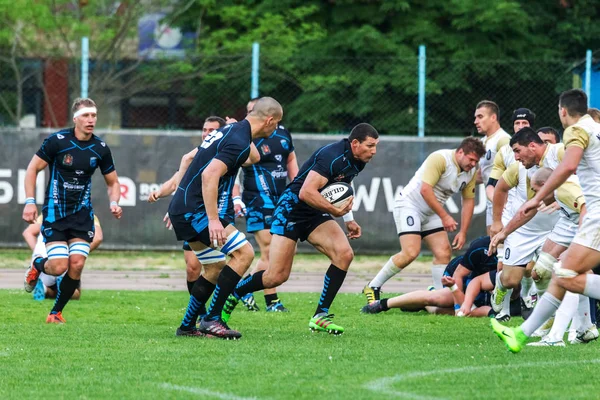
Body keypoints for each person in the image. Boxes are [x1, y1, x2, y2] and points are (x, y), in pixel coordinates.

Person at [218, 123, 379, 335]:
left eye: (376, 146)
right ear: (355, 143)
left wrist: (348, 218)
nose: (374, 151)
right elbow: (306, 192)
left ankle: (320, 316)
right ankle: (235, 293)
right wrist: (334, 211)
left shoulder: (359, 159)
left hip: (313, 211)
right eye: (370, 146)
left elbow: (342, 188)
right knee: (276, 276)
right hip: (291, 210)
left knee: (344, 254)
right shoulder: (332, 156)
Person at [491, 89, 600, 353]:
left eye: (518, 151)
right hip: (573, 218)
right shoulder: (595, 128)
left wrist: (536, 196)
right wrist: (504, 230)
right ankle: (529, 332)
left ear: (563, 111)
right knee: (556, 271)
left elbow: (569, 167)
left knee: (564, 272)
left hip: (591, 214)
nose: (517, 157)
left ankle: (533, 333)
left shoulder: (574, 134)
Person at [168, 97, 282, 339]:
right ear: (270, 120)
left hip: (183, 208)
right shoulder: (238, 137)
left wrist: (248, 131)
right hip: (195, 211)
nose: (276, 130)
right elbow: (209, 175)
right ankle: (212, 319)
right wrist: (213, 220)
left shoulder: (234, 131)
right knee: (245, 254)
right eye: (277, 124)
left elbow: (253, 158)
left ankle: (188, 326)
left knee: (214, 267)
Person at [22, 97, 122, 324]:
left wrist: (114, 202)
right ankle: (37, 266)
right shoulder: (57, 141)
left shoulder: (100, 148)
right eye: (86, 115)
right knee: (58, 267)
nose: (91, 120)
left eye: (94, 115)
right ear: (75, 118)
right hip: (55, 214)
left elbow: (113, 183)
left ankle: (55, 313)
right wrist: (29, 201)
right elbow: (32, 168)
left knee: (76, 264)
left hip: (81, 216)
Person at [363, 137, 485, 304]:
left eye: (476, 161)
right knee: (410, 252)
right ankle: (373, 286)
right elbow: (425, 190)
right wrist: (445, 216)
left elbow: (469, 201)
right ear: (460, 152)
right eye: (471, 159)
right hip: (409, 205)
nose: (473, 164)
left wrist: (463, 232)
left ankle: (438, 295)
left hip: (429, 211)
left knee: (443, 253)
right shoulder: (441, 159)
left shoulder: (471, 171)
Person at [487, 128, 561, 320]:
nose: (516, 157)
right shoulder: (519, 169)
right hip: (523, 230)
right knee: (511, 280)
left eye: (518, 151)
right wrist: (497, 223)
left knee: (548, 274)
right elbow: (500, 189)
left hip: (554, 229)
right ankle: (500, 287)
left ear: (532, 146)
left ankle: (550, 323)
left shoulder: (560, 155)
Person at [149, 116, 226, 297]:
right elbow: (177, 181)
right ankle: (200, 313)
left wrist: (236, 201)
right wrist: (159, 193)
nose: (206, 134)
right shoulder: (197, 156)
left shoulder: (227, 155)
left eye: (212, 130)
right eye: (204, 130)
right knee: (192, 268)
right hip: (194, 217)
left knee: (224, 265)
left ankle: (229, 301)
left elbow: (236, 183)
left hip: (217, 217)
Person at [235, 98, 299, 312]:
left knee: (282, 250)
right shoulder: (246, 138)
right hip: (256, 199)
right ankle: (272, 301)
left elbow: (290, 159)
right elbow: (241, 162)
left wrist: (297, 186)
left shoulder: (282, 134)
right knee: (271, 250)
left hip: (281, 200)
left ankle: (241, 288)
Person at [361, 236, 497, 317]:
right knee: (442, 300)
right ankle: (383, 304)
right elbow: (468, 279)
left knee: (448, 312)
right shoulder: (481, 247)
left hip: (483, 287)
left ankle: (425, 305)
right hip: (459, 278)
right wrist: (458, 306)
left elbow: (485, 311)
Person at [23, 214, 103, 300]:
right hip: (66, 258)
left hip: (45, 261)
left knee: (51, 283)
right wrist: (78, 253)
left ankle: (44, 288)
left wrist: (38, 252)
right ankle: (59, 285)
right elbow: (97, 238)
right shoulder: (86, 213)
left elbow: (28, 233)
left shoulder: (48, 212)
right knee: (74, 293)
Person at [474, 101, 511, 233]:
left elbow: (512, 171)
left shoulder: (503, 140)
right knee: (492, 242)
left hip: (504, 201)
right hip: (492, 201)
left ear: (493, 117)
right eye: (475, 117)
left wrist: (505, 202)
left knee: (500, 242)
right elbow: (481, 174)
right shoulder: (484, 141)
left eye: (480, 117)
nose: (475, 121)